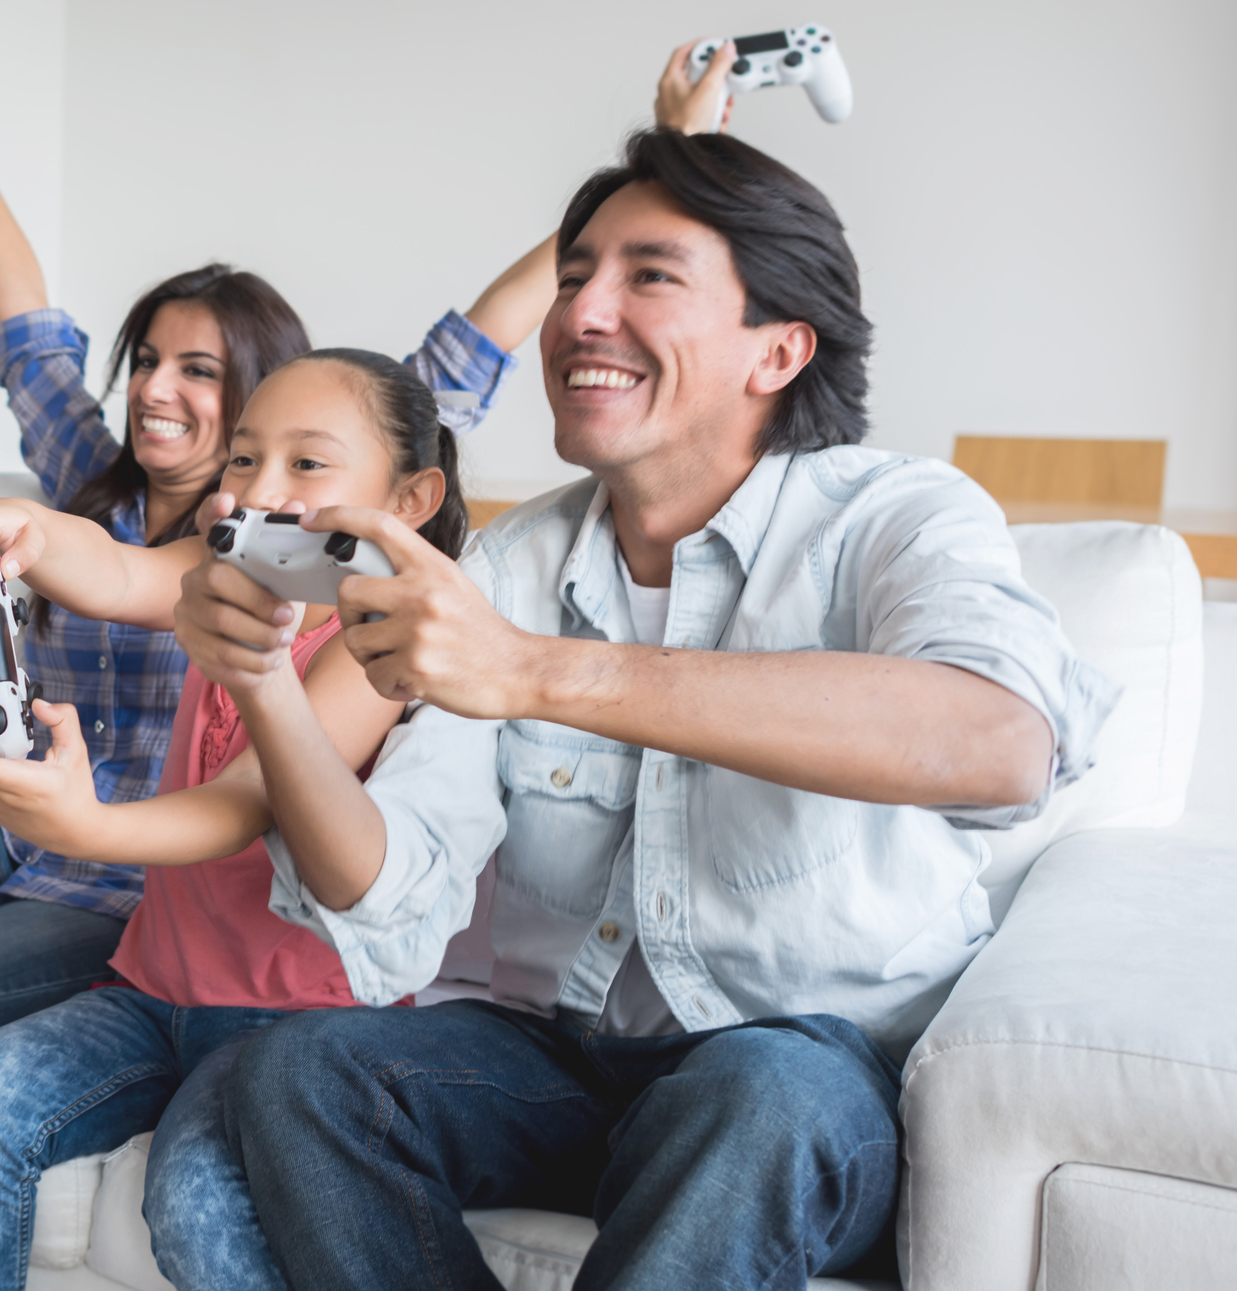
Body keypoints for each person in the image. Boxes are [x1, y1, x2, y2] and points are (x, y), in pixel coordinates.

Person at [0, 47, 558, 1284]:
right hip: (54, 864)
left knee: (170, 1189)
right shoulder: (133, 504)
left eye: (208, 382)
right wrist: (11, 529)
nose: (169, 404)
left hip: (147, 904)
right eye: (152, 369)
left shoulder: (376, 609)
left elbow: (462, 359)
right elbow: (87, 495)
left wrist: (598, 228)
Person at [174, 129, 1116, 1290]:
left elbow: (997, 738)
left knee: (751, 1093)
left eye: (646, 276)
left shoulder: (896, 515)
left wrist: (537, 672)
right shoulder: (511, 562)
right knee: (296, 1074)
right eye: (573, 278)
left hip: (803, 1075)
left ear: (776, 349)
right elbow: (387, 884)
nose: (579, 313)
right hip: (558, 1060)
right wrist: (263, 682)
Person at [0, 348, 467, 1291]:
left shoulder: (383, 640)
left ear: (409, 500)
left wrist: (83, 825)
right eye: (244, 460)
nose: (261, 487)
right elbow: (117, 569)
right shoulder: (224, 575)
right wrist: (24, 527)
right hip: (151, 990)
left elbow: (241, 805)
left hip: (292, 1027)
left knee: (197, 1202)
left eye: (307, 464)